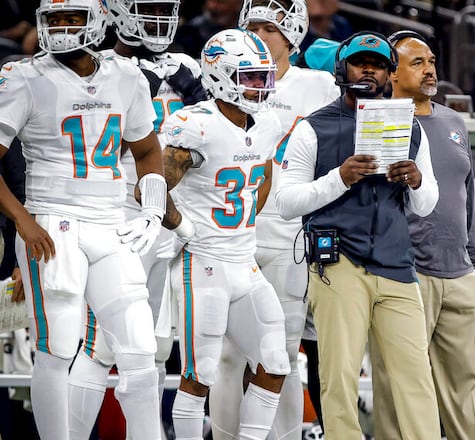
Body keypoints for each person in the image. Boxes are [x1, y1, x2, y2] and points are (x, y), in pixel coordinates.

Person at [0, 0, 168, 438]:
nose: (61, 27)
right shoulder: (24, 78)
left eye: (71, 18)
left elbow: (148, 152)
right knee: (57, 349)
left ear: (97, 21)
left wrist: (151, 207)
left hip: (111, 223)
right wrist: (22, 219)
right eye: (54, 19)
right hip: (53, 222)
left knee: (139, 350)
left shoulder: (127, 76)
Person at [275, 32, 441, 439]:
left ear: (390, 74)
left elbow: (426, 205)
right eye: (359, 62)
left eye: (379, 64)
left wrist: (417, 182)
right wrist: (340, 178)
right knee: (338, 376)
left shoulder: (410, 127)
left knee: (416, 377)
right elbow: (286, 201)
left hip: (398, 265)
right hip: (340, 264)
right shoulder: (313, 128)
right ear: (341, 68)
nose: (369, 69)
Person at [65, 1, 207, 436]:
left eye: (166, 8)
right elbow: (94, 149)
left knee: (156, 346)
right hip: (118, 218)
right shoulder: (101, 68)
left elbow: (216, 139)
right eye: (148, 8)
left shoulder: (186, 65)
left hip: (170, 216)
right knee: (103, 345)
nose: (158, 19)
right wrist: (132, 90)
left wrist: (200, 106)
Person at [208, 1, 340, 439]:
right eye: (254, 28)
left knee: (281, 353)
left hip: (290, 237)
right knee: (225, 356)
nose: (259, 36)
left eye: (269, 29)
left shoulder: (318, 85)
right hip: (233, 235)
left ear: (292, 35)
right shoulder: (224, 81)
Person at [159, 28, 290, 439]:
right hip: (204, 264)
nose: (259, 87)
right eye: (250, 77)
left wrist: (246, 219)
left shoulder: (267, 123)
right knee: (201, 373)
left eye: (262, 77)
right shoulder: (194, 124)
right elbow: (152, 187)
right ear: (219, 75)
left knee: (275, 363)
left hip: (243, 260)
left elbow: (263, 176)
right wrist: (184, 228)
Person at [367, 30, 475, 440]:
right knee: (399, 391)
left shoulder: (454, 121)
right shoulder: (377, 121)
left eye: (432, 61)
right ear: (392, 72)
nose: (429, 69)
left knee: (468, 391)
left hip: (459, 274)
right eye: (417, 63)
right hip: (405, 275)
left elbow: (465, 193)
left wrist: (473, 259)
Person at [172, 0, 243, 58]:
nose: (212, 6)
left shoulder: (247, 32)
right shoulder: (190, 31)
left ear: (238, 4)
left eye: (220, 2)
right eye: (210, 1)